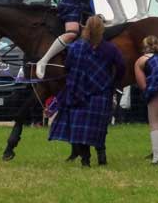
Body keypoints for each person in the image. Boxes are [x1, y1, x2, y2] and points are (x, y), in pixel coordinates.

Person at [47, 15, 121, 166]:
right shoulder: (110, 48)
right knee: (99, 127)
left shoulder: (76, 47)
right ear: (102, 29)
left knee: (80, 129)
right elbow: (121, 67)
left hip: (78, 92)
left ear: (85, 28)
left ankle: (85, 160)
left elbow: (67, 66)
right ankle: (101, 156)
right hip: (101, 92)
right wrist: (112, 83)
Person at [134, 35, 158, 163]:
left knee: (155, 122)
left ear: (144, 48)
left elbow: (143, 85)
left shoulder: (141, 60)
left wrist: (148, 96)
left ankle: (157, 157)